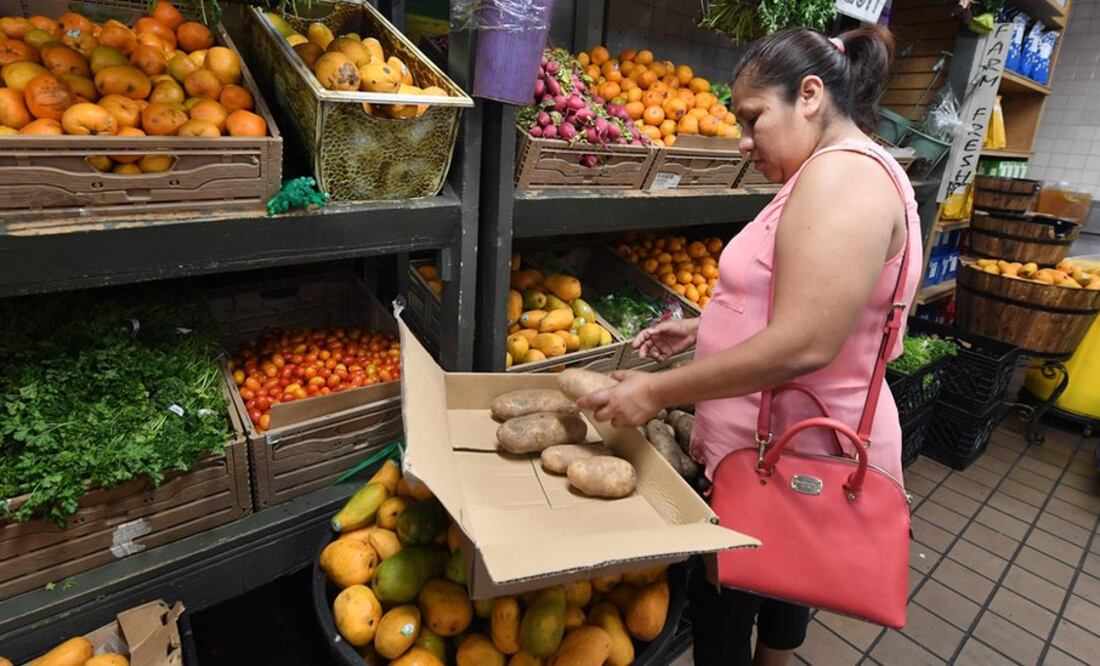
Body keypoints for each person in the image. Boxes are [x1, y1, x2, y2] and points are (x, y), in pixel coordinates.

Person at [577, 25, 921, 666]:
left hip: (787, 458)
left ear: (810, 95)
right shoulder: (828, 172)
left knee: (726, 611)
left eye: (753, 117)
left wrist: (655, 389)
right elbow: (803, 305)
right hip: (793, 450)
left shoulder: (843, 178)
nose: (741, 138)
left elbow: (805, 343)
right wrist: (706, 327)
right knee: (787, 582)